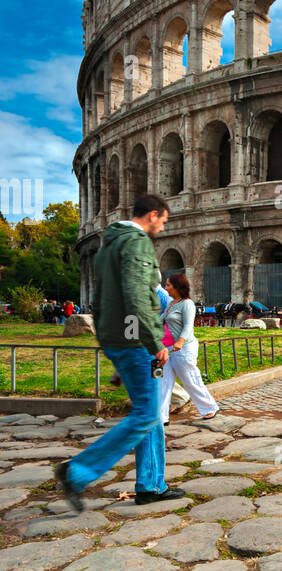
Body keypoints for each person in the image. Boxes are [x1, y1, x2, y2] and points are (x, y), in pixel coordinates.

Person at [54, 193, 185, 511]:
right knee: (144, 415)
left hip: (119, 338)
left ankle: (152, 485)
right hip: (136, 341)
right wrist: (155, 343)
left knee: (150, 412)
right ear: (153, 215)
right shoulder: (136, 242)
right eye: (164, 221)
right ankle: (76, 472)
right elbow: (138, 297)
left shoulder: (108, 244)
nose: (163, 229)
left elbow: (101, 300)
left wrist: (112, 345)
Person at [158, 273, 220, 425]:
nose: (165, 288)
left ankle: (209, 408)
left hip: (184, 348)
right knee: (162, 382)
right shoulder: (171, 304)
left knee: (190, 379)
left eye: (168, 285)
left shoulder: (187, 304)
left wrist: (180, 341)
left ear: (178, 287)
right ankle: (160, 417)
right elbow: (160, 321)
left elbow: (188, 326)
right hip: (167, 349)